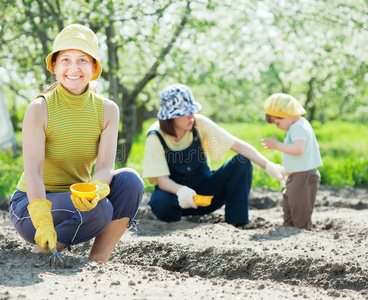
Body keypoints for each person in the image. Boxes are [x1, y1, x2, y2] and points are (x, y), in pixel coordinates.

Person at [8, 24, 144, 262]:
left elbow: (104, 167)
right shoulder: (40, 108)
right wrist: (42, 221)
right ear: (54, 66)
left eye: (82, 60)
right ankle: (45, 250)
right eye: (65, 60)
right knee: (101, 210)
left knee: (131, 181)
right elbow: (33, 171)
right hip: (30, 206)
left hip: (75, 199)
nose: (73, 68)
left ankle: (98, 261)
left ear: (94, 67)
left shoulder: (108, 110)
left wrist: (97, 189)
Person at [142, 84, 284, 226]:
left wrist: (268, 165)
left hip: (206, 194)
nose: (192, 116)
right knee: (160, 202)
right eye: (185, 112)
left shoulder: (199, 123)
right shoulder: (155, 135)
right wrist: (181, 190)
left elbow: (238, 145)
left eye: (192, 110)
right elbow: (162, 180)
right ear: (171, 116)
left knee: (242, 161)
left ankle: (236, 222)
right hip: (177, 200)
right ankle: (173, 223)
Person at [261, 93, 322, 230]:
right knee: (290, 202)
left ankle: (300, 229)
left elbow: (299, 149)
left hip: (303, 176)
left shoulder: (297, 127)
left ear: (286, 115)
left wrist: (277, 145)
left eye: (278, 123)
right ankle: (288, 227)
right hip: (298, 175)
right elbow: (312, 147)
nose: (277, 127)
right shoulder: (301, 125)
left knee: (299, 207)